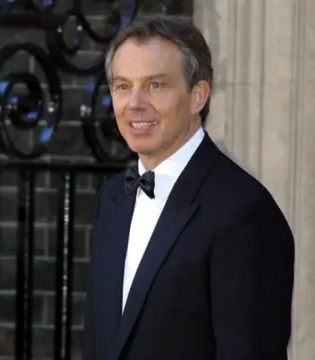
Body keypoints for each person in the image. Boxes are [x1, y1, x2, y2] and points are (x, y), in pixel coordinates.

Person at [83, 16, 294, 360]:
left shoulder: (244, 212)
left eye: (155, 85)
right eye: (123, 86)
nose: (134, 103)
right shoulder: (112, 197)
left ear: (197, 96)